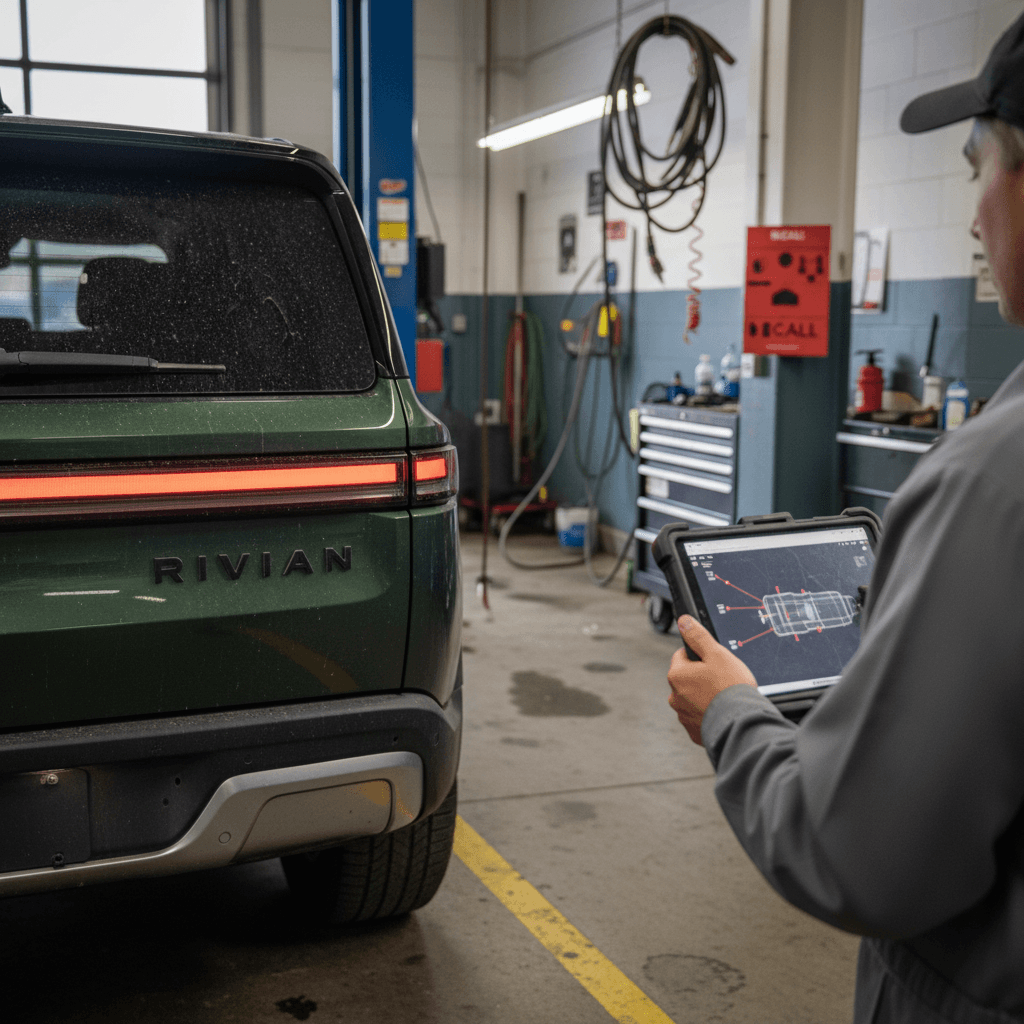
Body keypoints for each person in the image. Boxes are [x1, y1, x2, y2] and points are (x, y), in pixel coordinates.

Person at [666, 12, 1024, 1024]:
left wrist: (732, 715)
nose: (971, 219)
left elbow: (860, 854)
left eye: (977, 169)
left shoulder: (991, 482)